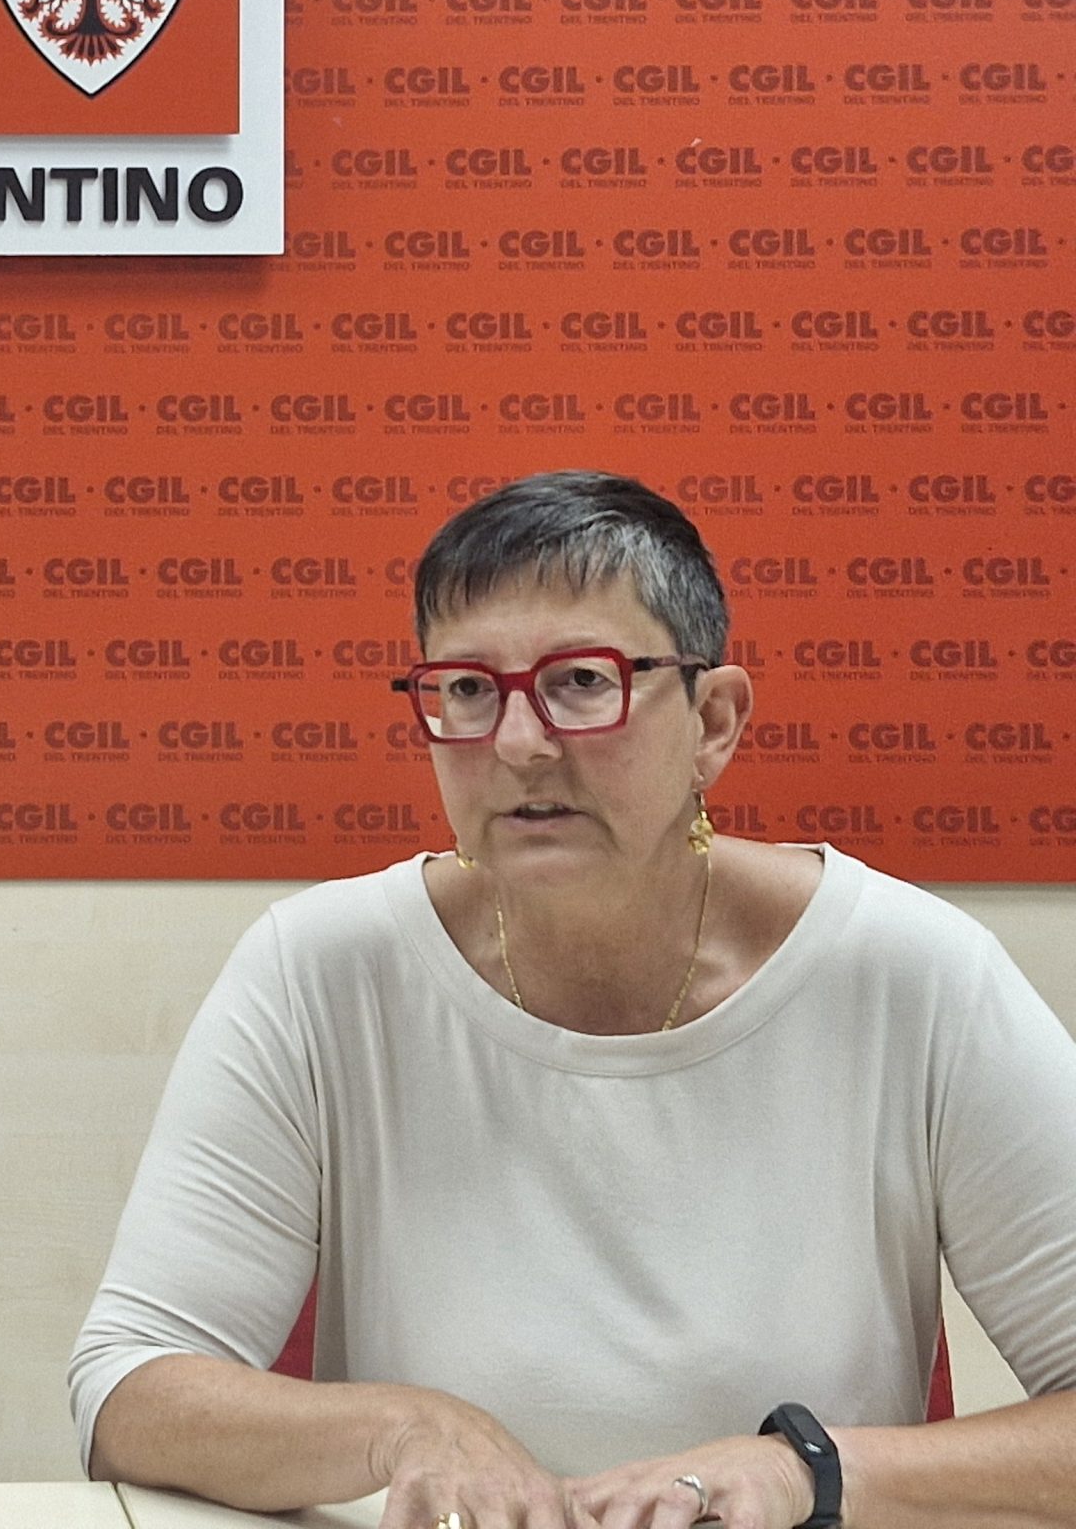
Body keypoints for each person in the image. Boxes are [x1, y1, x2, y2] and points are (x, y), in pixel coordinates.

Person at [72, 471, 1076, 1529]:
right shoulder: (321, 969)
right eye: (468, 689)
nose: (518, 743)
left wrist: (806, 1473)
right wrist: (406, 1429)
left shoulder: (910, 974)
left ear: (714, 721)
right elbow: (128, 1388)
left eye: (582, 682)